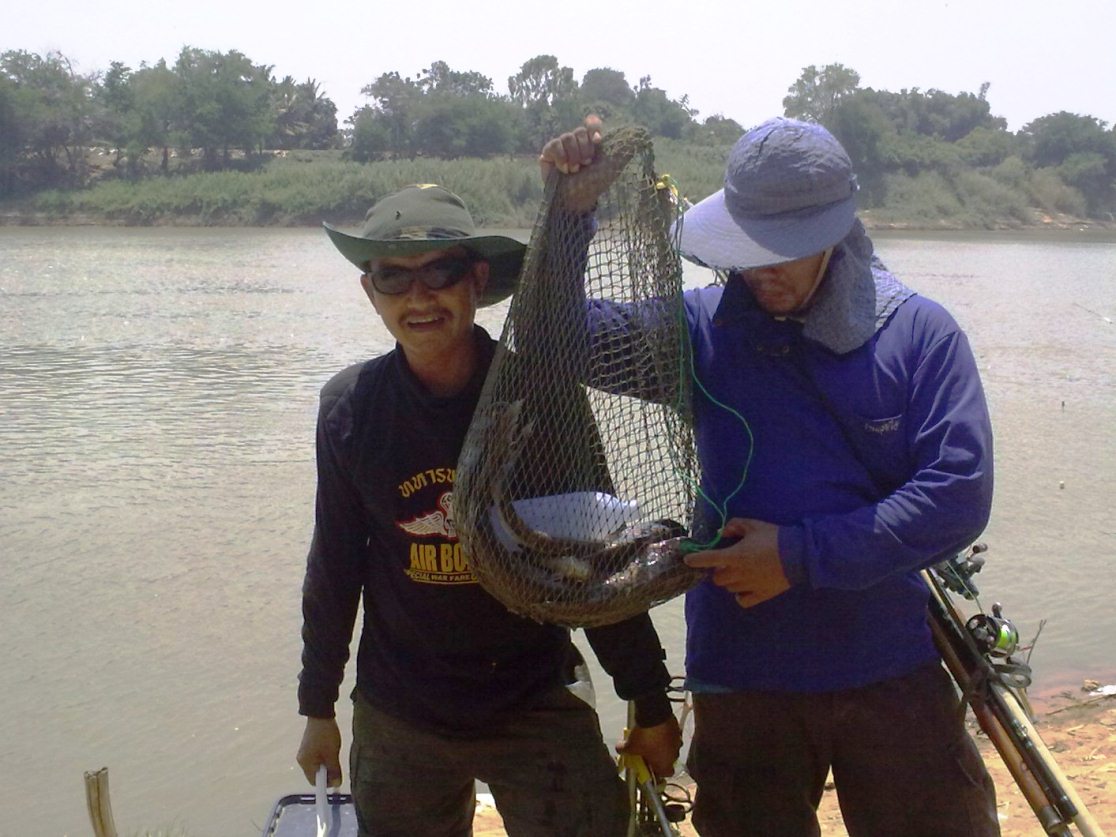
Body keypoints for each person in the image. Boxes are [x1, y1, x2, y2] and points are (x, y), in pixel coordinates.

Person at [541, 116, 1000, 836]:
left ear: (836, 231)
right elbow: (555, 342)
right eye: (748, 248)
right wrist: (571, 217)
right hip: (742, 672)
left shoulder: (918, 334)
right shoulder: (697, 333)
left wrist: (795, 555)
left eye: (786, 250)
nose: (764, 269)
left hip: (886, 662)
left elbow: (957, 494)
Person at [294, 182, 682, 837]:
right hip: (400, 709)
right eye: (393, 276)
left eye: (440, 272)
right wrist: (318, 706)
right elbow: (334, 565)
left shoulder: (542, 399)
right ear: (370, 292)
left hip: (532, 695)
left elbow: (597, 560)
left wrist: (647, 698)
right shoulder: (350, 410)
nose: (418, 297)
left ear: (477, 279)